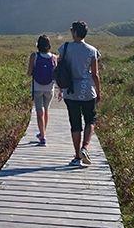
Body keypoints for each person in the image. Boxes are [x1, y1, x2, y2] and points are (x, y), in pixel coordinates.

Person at [58, 21, 101, 166]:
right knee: (90, 120)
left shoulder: (64, 48)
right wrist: (99, 92)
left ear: (75, 32)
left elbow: (60, 70)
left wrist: (60, 88)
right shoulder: (92, 50)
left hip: (70, 91)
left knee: (75, 124)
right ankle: (85, 147)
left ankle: (77, 157)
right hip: (88, 90)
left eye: (72, 30)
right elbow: (95, 75)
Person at [26, 35, 58, 146]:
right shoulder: (54, 57)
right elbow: (56, 74)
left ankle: (42, 137)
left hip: (38, 87)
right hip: (50, 88)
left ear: (38, 44)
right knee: (46, 111)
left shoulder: (34, 56)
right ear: (49, 45)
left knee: (39, 112)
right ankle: (43, 133)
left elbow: (29, 73)